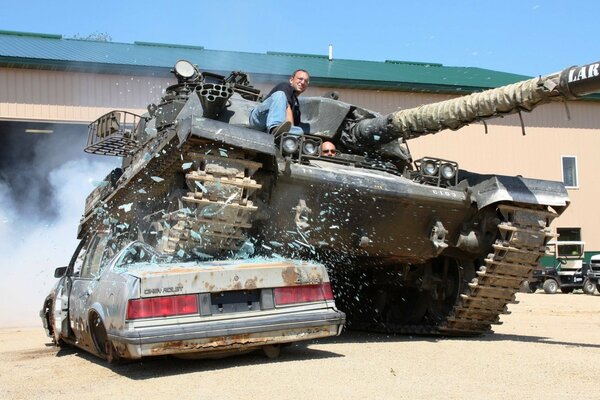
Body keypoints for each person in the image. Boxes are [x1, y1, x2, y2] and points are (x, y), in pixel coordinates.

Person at [249, 69, 310, 136]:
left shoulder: (297, 109)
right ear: (291, 80)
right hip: (259, 119)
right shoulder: (285, 87)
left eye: (306, 81)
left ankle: (278, 131)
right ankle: (275, 127)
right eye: (300, 79)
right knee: (280, 94)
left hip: (266, 130)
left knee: (299, 131)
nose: (303, 82)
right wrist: (291, 134)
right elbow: (288, 108)